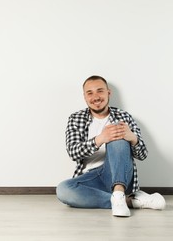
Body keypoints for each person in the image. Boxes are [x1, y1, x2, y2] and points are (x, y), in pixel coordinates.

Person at [56, 75, 166, 217]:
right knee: (63, 190)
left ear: (108, 93)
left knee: (117, 134)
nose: (95, 97)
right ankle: (130, 201)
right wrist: (101, 139)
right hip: (91, 179)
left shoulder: (124, 116)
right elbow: (73, 152)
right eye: (90, 93)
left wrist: (132, 138)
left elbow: (143, 154)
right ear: (85, 97)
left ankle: (119, 192)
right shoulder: (76, 118)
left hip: (117, 174)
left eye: (100, 91)